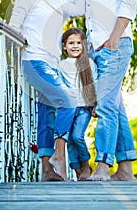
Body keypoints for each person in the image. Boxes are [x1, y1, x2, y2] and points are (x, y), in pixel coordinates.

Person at [64, 0, 137, 181]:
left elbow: (130, 2)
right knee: (115, 108)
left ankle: (103, 166)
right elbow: (75, 8)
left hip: (115, 45)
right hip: (96, 49)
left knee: (106, 106)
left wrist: (115, 38)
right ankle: (126, 169)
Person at [9, 0, 84, 181]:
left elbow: (79, 9)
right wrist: (20, 36)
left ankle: (46, 171)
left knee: (47, 113)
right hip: (34, 61)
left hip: (52, 65)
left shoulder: (54, 0)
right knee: (69, 100)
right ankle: (59, 155)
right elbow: (12, 27)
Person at [29, 27, 98, 181]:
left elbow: (96, 84)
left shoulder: (89, 64)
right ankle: (78, 171)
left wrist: (96, 105)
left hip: (84, 108)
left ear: (84, 45)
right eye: (71, 43)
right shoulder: (61, 65)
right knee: (70, 140)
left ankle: (86, 165)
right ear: (64, 46)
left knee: (77, 136)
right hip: (68, 109)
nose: (75, 46)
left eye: (79, 43)